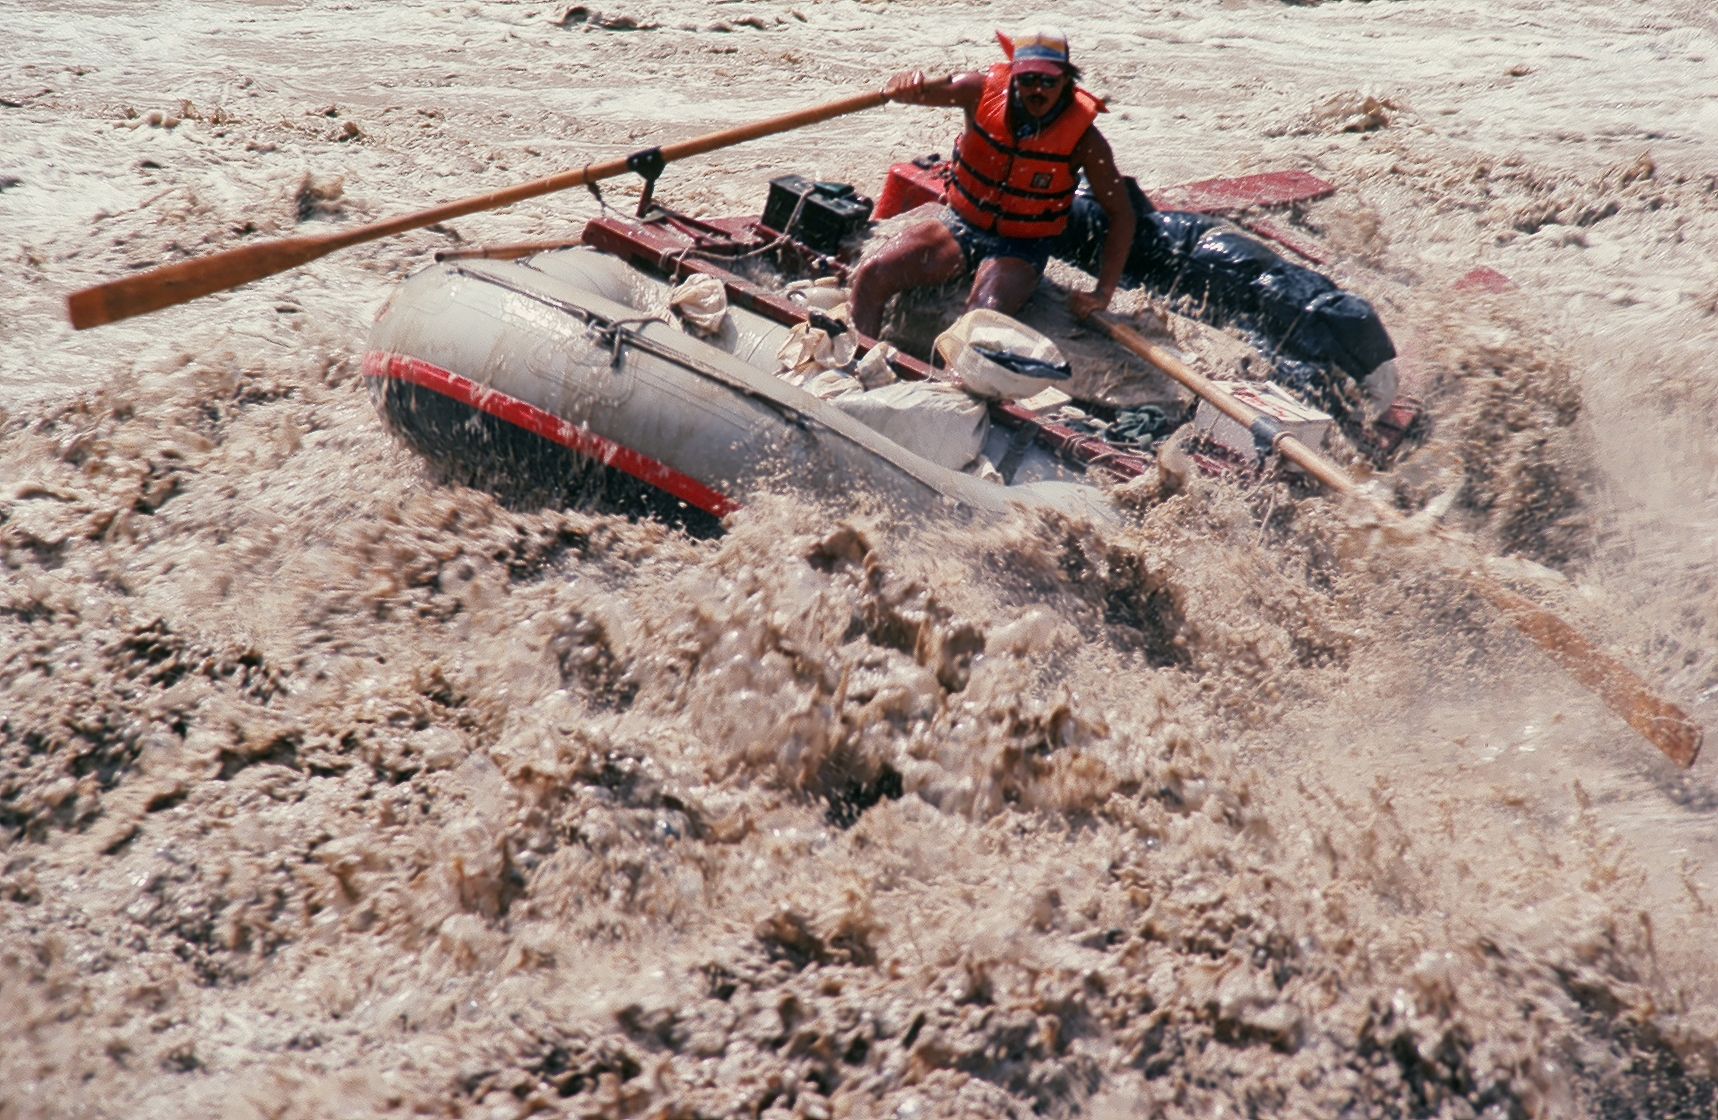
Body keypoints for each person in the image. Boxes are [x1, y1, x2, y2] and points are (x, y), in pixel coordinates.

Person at [849, 27, 1138, 340]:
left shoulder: (1087, 142)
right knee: (871, 274)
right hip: (961, 226)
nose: (1037, 90)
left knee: (979, 319)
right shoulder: (977, 91)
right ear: (1014, 74)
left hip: (1021, 247)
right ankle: (857, 363)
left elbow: (1122, 214)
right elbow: (913, 92)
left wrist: (1102, 294)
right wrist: (902, 84)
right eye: (1027, 79)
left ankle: (950, 386)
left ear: (1067, 80)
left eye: (1048, 81)